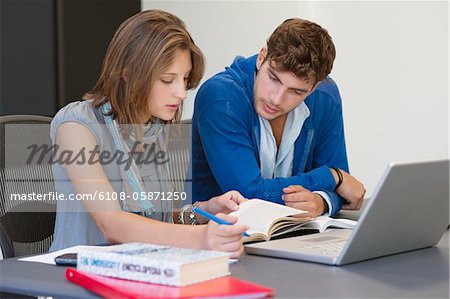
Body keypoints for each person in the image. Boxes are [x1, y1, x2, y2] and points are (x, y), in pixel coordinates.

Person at [48, 9, 248, 259]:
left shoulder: (152, 128)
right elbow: (111, 223)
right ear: (128, 72)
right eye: (167, 80)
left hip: (146, 267)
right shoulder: (76, 125)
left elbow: (151, 220)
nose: (181, 93)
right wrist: (201, 238)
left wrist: (203, 211)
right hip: (77, 278)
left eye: (184, 79)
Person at [192, 18, 365, 217]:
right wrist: (331, 176)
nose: (276, 98)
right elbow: (248, 194)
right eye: (273, 78)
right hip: (222, 236)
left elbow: (345, 190)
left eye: (296, 92)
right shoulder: (222, 97)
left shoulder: (325, 96)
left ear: (314, 87)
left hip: (293, 235)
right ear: (261, 57)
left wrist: (321, 202)